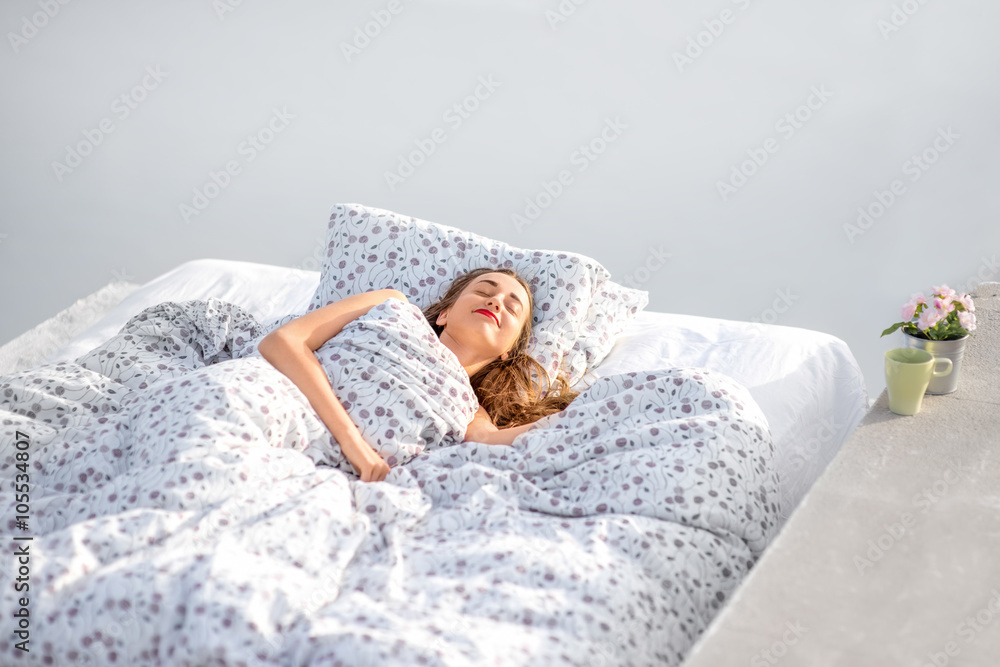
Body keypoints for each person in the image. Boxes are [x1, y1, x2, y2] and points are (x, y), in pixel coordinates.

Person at [258, 267, 579, 483]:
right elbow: (283, 342)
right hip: (271, 408)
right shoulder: (393, 307)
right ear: (445, 313)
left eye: (512, 308)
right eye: (484, 291)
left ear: (507, 350)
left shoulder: (470, 411)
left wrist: (593, 410)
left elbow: (493, 441)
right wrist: (354, 446)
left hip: (324, 475)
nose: (496, 301)